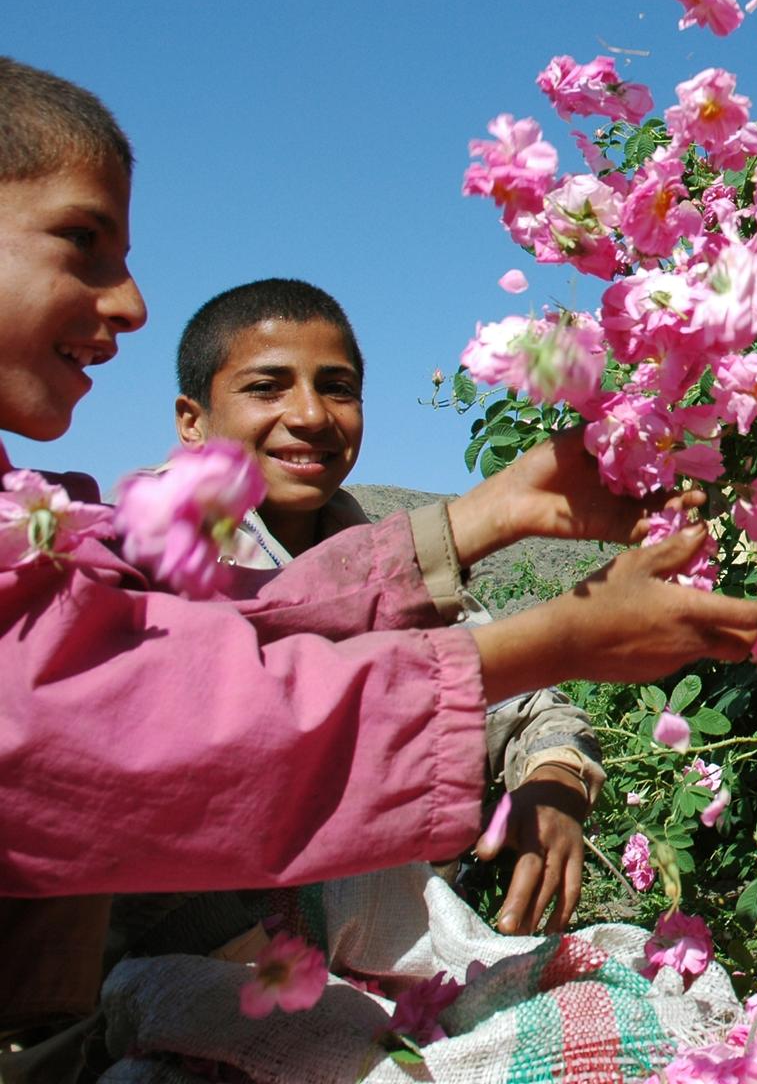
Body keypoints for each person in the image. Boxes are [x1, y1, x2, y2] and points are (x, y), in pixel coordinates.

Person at [0, 57, 757, 1046]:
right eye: (82, 240)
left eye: (337, 386)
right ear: (191, 421)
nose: (130, 301)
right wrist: (554, 637)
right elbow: (186, 709)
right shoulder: (138, 547)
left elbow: (255, 624)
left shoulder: (81, 531)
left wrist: (488, 521)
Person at [170, 277, 602, 937]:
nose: (311, 414)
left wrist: (554, 782)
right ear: (192, 421)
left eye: (338, 388)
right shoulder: (145, 568)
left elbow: (530, 710)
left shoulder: (395, 564)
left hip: (391, 956)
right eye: (266, 387)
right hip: (202, 965)